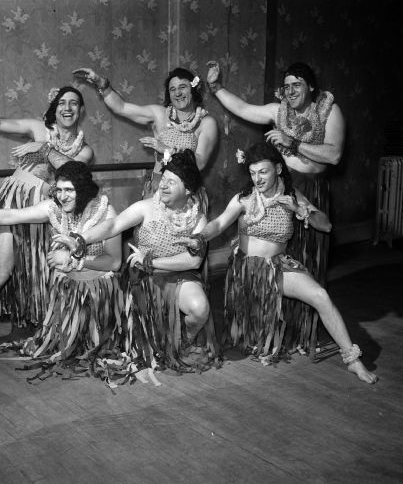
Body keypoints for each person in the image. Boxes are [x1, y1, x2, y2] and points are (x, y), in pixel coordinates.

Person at [176, 142, 377, 384]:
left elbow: (326, 225)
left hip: (279, 266)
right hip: (248, 273)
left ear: (278, 169)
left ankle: (353, 360)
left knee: (321, 296)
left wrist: (301, 210)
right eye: (252, 173)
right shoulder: (245, 198)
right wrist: (200, 237)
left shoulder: (291, 195)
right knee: (245, 341)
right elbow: (218, 224)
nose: (257, 178)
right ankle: (184, 341)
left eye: (263, 171)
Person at [206, 61, 346, 354]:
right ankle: (273, 331)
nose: (291, 90)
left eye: (297, 84)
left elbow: (333, 155)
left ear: (310, 86)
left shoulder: (329, 111)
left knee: (306, 262)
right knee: (274, 256)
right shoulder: (278, 111)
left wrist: (291, 143)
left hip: (307, 189)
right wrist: (216, 88)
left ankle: (303, 333)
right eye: (287, 85)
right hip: (277, 186)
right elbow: (244, 109)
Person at [0, 86, 93, 358]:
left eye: (74, 103)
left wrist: (44, 149)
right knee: (1, 272)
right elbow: (0, 123)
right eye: (62, 102)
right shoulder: (39, 128)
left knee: (44, 269)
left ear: (81, 110)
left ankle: (47, 330)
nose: (68, 108)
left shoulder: (85, 150)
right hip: (12, 203)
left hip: (43, 210)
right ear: (55, 106)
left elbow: (70, 171)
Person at [0, 161, 123, 363]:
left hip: (98, 298)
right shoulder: (55, 208)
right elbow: (11, 215)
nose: (62, 196)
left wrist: (75, 260)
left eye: (69, 190)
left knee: (96, 355)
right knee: (58, 353)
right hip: (67, 295)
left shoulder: (105, 212)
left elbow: (114, 263)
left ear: (83, 189)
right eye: (58, 190)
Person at [53, 150, 218, 372]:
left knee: (200, 309)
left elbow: (193, 262)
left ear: (188, 190)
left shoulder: (199, 219)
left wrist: (151, 261)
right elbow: (113, 225)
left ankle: (181, 342)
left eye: (172, 182)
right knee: (137, 345)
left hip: (177, 276)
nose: (163, 186)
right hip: (142, 279)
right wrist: (81, 239)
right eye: (163, 179)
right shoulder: (146, 207)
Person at [71, 66, 218, 213]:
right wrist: (100, 82)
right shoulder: (160, 114)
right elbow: (121, 107)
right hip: (158, 191)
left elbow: (200, 162)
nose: (178, 93)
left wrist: (168, 150)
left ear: (193, 89)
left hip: (187, 196)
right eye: (172, 89)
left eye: (183, 87)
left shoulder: (206, 123)